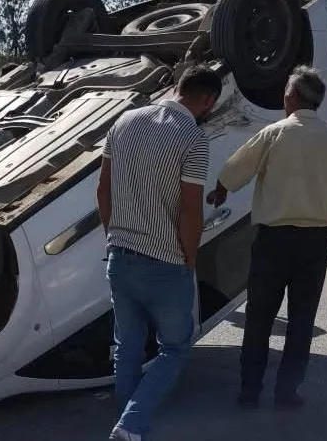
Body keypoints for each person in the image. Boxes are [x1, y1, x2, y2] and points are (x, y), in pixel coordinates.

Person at [207, 65, 327, 410]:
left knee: (259, 317)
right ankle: (287, 391)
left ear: (291, 95)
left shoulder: (274, 134)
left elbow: (232, 172)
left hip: (273, 242)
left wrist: (221, 193)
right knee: (301, 320)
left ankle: (250, 390)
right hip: (315, 244)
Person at [97, 64, 223, 441]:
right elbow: (190, 209)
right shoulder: (193, 139)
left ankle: (126, 424)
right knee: (175, 349)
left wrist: (114, 236)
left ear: (179, 87)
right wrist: (189, 257)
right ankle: (131, 425)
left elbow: (104, 191)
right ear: (209, 100)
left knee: (127, 348)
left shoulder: (124, 122)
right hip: (165, 263)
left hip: (120, 256)